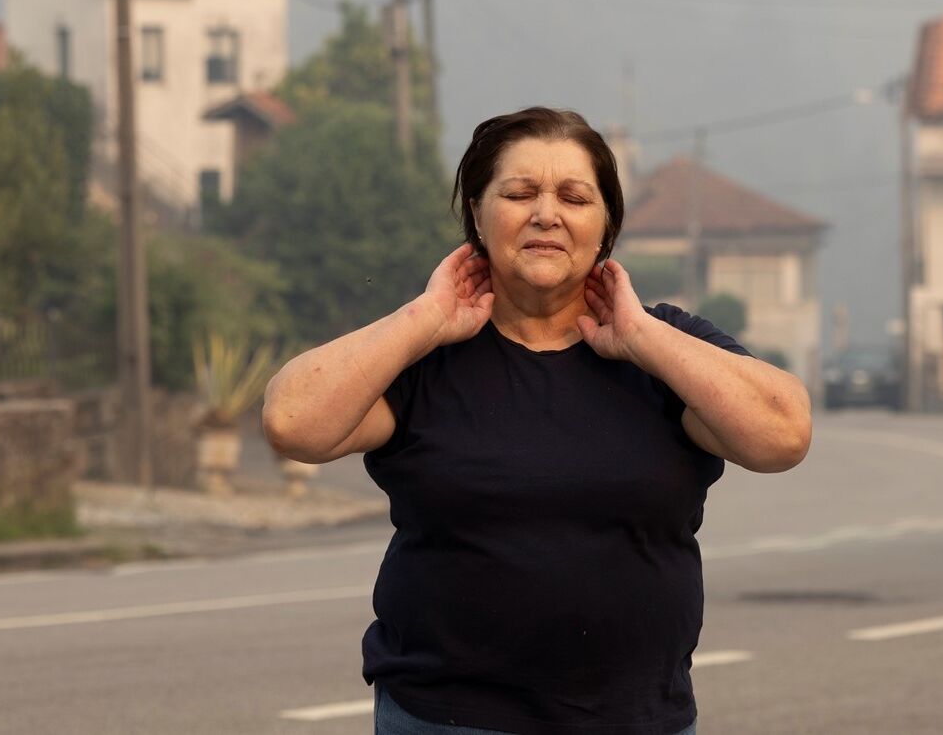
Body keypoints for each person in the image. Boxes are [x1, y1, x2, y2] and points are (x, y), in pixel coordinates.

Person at [263, 107, 812, 735]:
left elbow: (783, 436)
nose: (546, 214)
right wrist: (424, 317)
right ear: (477, 213)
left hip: (635, 719)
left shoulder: (666, 351)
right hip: (446, 720)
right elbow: (293, 422)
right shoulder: (424, 353)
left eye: (575, 198)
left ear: (606, 225)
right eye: (519, 193)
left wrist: (639, 336)